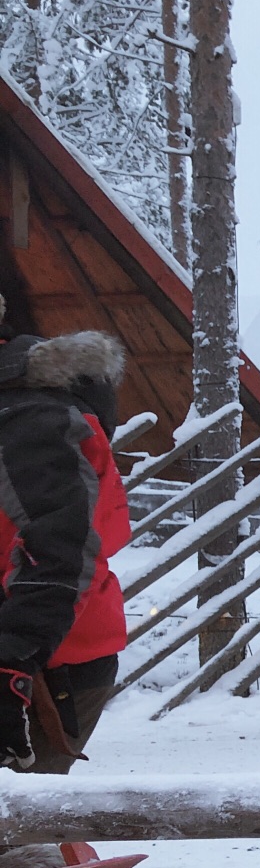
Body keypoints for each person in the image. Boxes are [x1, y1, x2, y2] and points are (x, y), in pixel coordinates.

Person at [0, 299, 130, 774]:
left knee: (14, 831)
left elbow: (59, 550)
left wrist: (11, 664)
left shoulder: (28, 421)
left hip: (45, 664)